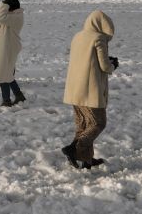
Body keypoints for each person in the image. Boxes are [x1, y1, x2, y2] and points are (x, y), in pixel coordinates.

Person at [61, 10, 118, 170]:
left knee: (83, 125)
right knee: (98, 123)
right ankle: (74, 149)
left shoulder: (77, 36)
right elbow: (105, 66)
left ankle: (86, 159)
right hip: (90, 90)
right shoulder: (98, 38)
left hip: (74, 89)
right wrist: (113, 64)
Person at [0, 0, 26, 107]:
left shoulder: (15, 17)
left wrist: (3, 4)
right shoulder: (12, 16)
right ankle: (18, 95)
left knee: (2, 74)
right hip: (6, 48)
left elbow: (0, 16)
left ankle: (6, 101)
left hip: (8, 49)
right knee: (7, 73)